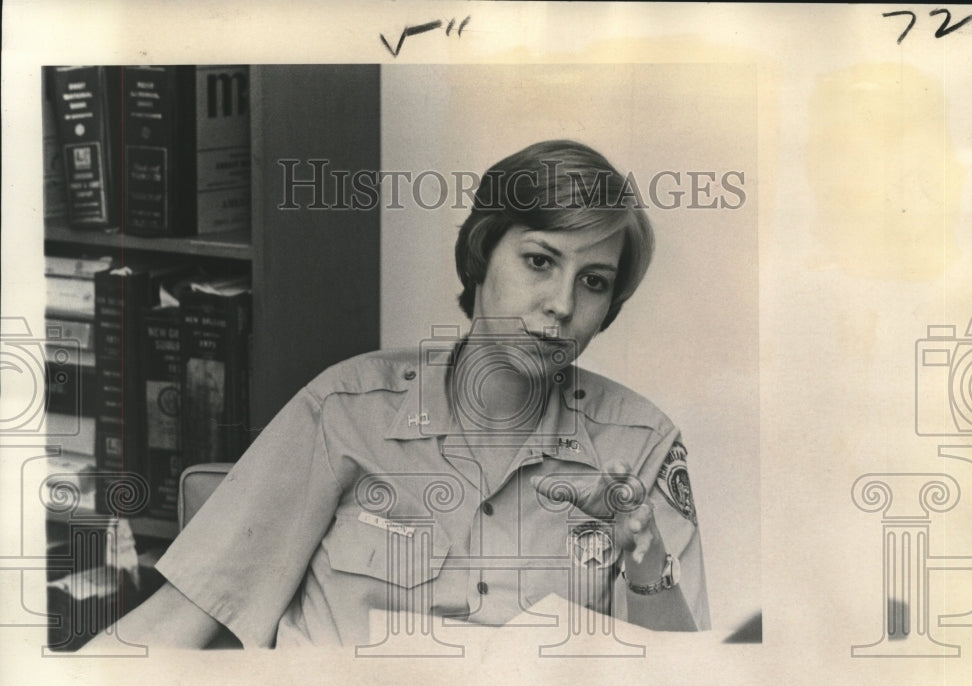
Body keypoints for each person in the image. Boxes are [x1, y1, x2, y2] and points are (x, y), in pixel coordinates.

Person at [92, 139, 710, 649]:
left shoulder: (642, 444)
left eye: (594, 282)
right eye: (539, 261)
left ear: (608, 310)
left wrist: (647, 561)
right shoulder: (344, 410)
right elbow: (178, 619)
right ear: (481, 254)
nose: (563, 304)